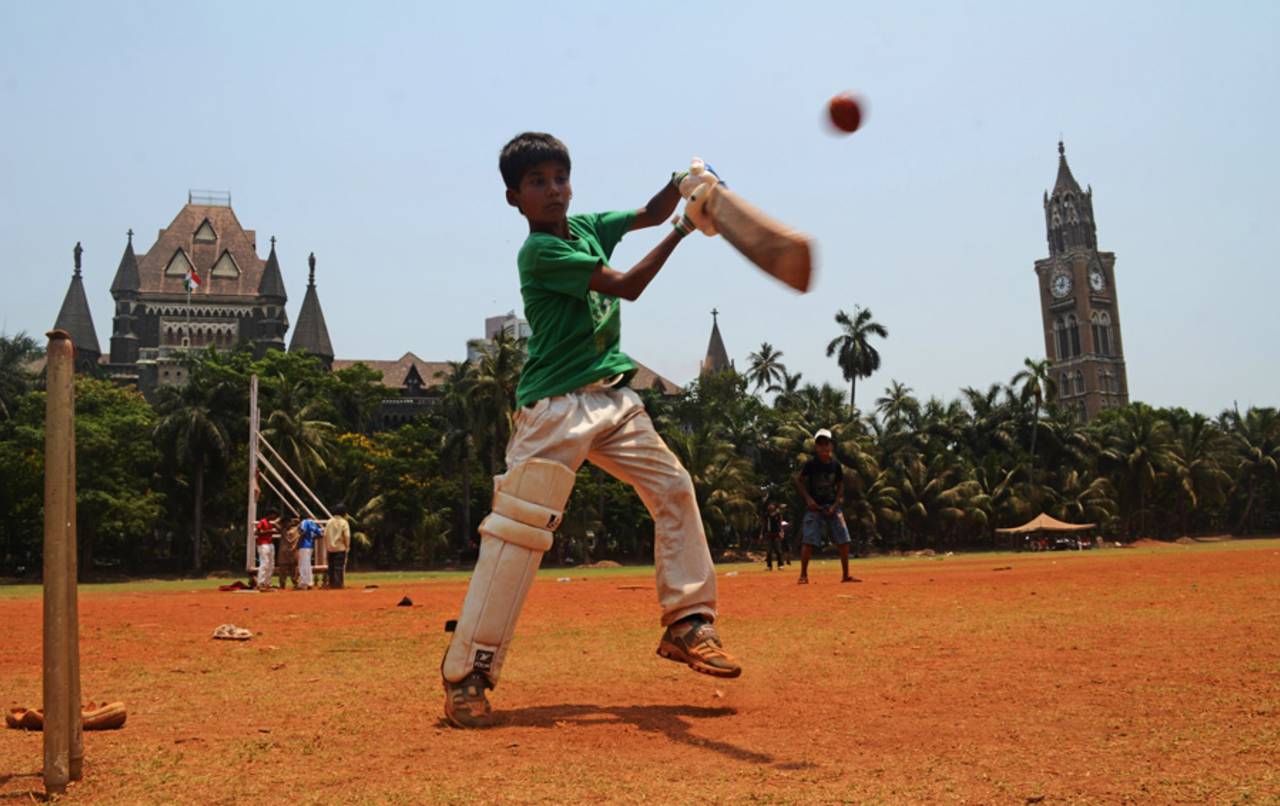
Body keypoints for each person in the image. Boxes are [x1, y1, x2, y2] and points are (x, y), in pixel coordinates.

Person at [440, 133, 740, 729]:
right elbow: (627, 284)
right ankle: (468, 673)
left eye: (559, 178)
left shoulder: (587, 227)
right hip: (552, 411)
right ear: (514, 198)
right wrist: (684, 228)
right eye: (537, 183)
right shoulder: (539, 255)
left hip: (614, 401)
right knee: (517, 536)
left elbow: (648, 212)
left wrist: (684, 184)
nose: (552, 190)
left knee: (675, 488)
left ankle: (688, 622)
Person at [793, 429, 857, 584]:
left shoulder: (836, 466)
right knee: (808, 540)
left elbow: (840, 486)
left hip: (832, 506)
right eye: (820, 445)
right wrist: (808, 499)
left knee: (844, 539)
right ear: (816, 447)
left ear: (831, 446)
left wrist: (835, 504)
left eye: (826, 444)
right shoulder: (811, 465)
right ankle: (803, 575)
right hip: (814, 507)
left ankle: (846, 575)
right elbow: (798, 481)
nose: (824, 448)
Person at [324, 504, 350, 589]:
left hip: (330, 548)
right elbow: (347, 536)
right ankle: (338, 584)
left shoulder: (329, 521)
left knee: (331, 567)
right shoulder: (344, 522)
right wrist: (347, 546)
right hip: (340, 547)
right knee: (339, 567)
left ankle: (331, 583)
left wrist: (327, 546)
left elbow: (325, 535)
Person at [254, 509, 279, 591]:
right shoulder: (263, 521)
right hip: (263, 544)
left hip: (270, 543)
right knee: (264, 564)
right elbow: (257, 532)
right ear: (270, 514)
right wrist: (269, 531)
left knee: (271, 564)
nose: (275, 517)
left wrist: (273, 530)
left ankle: (267, 583)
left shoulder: (271, 523)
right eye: (274, 515)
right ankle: (260, 583)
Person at [297, 516, 322, 590]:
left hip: (303, 545)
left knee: (303, 565)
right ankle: (309, 582)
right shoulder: (313, 523)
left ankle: (304, 583)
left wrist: (298, 543)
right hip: (310, 546)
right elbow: (320, 535)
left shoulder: (304, 522)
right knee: (308, 565)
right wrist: (311, 538)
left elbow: (302, 532)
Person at [760, 502, 785, 571]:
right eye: (769, 505)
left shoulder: (778, 514)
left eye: (772, 505)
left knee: (778, 550)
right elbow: (763, 525)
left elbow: (780, 524)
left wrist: (782, 532)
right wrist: (761, 534)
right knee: (768, 551)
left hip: (776, 534)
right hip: (768, 534)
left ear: (774, 506)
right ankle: (769, 566)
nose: (770, 506)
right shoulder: (766, 515)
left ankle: (780, 565)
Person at [277, 516, 300, 590]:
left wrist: (293, 520)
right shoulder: (282, 530)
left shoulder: (296, 529)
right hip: (283, 553)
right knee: (282, 570)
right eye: (284, 522)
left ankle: (296, 583)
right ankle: (282, 585)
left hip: (293, 552)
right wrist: (280, 519)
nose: (286, 524)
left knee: (294, 570)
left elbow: (301, 521)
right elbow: (274, 523)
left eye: (288, 522)